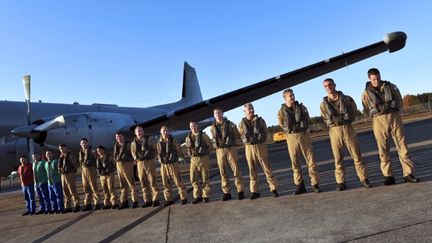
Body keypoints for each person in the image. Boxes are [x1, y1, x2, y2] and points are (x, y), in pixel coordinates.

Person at [361, 68, 419, 185]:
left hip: (394, 117)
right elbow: (367, 109)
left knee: (402, 145)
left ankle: (408, 173)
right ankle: (388, 176)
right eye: (373, 79)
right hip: (378, 120)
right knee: (383, 149)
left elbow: (399, 101)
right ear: (369, 79)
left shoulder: (391, 86)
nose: (376, 81)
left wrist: (392, 107)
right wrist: (379, 110)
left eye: (378, 78)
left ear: (380, 75)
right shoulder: (366, 93)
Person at [320, 79, 371, 190]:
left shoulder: (347, 99)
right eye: (326, 86)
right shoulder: (323, 105)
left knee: (357, 155)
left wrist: (346, 119)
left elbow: (354, 111)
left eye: (330, 85)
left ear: (334, 85)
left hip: (348, 128)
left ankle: (364, 179)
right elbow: (325, 118)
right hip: (334, 131)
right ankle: (340, 182)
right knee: (338, 158)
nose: (328, 87)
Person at [278, 89, 321, 194]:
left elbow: (307, 118)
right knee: (295, 162)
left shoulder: (302, 107)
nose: (292, 97)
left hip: (303, 135)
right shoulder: (281, 111)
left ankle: (315, 184)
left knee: (311, 160)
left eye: (293, 95)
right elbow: (281, 123)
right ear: (285, 98)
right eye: (289, 96)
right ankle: (300, 186)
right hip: (291, 136)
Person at [238, 103, 279, 199]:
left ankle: (274, 189)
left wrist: (260, 140)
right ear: (245, 111)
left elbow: (265, 132)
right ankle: (254, 191)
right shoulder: (241, 124)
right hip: (249, 148)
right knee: (252, 170)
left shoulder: (260, 121)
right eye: (249, 109)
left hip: (260, 146)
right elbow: (241, 136)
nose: (251, 110)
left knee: (267, 168)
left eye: (252, 108)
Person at [210, 108, 245, 201]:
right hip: (220, 151)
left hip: (230, 149)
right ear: (214, 115)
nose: (217, 114)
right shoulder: (212, 127)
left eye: (219, 112)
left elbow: (237, 135)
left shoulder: (230, 124)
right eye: (215, 113)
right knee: (223, 172)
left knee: (236, 170)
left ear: (222, 113)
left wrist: (234, 144)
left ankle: (240, 191)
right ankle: (227, 192)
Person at [157, 126, 188, 206]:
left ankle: (183, 198)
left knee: (178, 181)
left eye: (166, 130)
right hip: (163, 166)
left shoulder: (173, 140)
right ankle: (168, 199)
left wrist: (181, 158)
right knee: (166, 183)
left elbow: (179, 150)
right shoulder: (158, 143)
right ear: (161, 132)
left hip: (173, 164)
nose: (165, 132)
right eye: (163, 131)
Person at [131, 126, 160, 208]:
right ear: (135, 133)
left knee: (152, 181)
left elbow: (155, 148)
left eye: (141, 131)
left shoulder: (149, 140)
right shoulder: (133, 143)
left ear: (143, 132)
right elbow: (133, 152)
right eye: (138, 131)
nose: (139, 132)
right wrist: (136, 159)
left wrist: (152, 156)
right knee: (143, 182)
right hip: (140, 163)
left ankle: (156, 199)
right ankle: (147, 200)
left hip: (149, 162)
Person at [185, 120, 213, 204]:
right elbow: (188, 147)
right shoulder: (188, 137)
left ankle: (205, 196)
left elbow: (210, 146)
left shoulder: (203, 136)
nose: (193, 127)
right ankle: (197, 196)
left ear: (197, 126)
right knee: (193, 178)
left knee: (205, 177)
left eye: (194, 126)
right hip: (193, 159)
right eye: (191, 126)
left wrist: (205, 153)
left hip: (203, 158)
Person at [113, 132, 139, 209]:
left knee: (131, 183)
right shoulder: (116, 146)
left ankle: (135, 201)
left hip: (127, 165)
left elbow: (133, 153)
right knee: (122, 185)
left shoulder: (128, 145)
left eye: (120, 137)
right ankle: (124, 202)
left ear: (123, 137)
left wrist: (134, 163)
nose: (118, 138)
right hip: (119, 166)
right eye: (117, 137)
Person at [78, 138, 101, 211]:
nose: (83, 144)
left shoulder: (91, 150)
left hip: (91, 169)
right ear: (80, 144)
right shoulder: (81, 152)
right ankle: (88, 204)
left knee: (93, 186)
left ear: (87, 143)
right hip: (84, 169)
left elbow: (97, 159)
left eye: (85, 143)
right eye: (82, 143)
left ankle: (97, 203)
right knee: (86, 187)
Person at [58, 144, 81, 213]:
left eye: (63, 148)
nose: (61, 149)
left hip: (70, 174)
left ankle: (77, 205)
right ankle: (68, 206)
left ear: (66, 148)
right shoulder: (61, 156)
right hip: (63, 175)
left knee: (72, 190)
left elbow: (75, 164)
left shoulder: (70, 155)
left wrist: (72, 172)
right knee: (65, 191)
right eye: (60, 148)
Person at [45, 150, 64, 214]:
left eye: (50, 153)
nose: (48, 155)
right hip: (49, 183)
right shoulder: (46, 163)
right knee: (52, 197)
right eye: (47, 154)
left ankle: (61, 208)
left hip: (56, 181)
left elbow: (60, 170)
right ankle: (54, 208)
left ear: (52, 155)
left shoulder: (55, 161)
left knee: (58, 195)